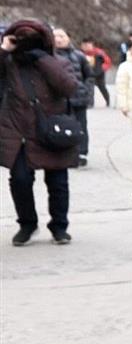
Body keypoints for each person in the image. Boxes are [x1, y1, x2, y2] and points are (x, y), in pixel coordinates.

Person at [1, 20, 82, 245]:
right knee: (20, 179)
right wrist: (4, 49)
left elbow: (69, 87)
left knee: (57, 182)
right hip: (19, 133)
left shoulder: (58, 62)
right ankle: (27, 224)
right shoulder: (9, 64)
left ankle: (59, 226)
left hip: (51, 131)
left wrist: (43, 58)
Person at [52, 28, 93, 167]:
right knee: (60, 126)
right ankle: (63, 153)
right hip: (58, 99)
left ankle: (82, 153)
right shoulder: (47, 56)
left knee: (81, 126)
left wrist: (86, 91)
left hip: (78, 97)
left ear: (68, 38)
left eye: (61, 36)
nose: (58, 39)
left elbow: (89, 76)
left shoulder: (79, 56)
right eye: (55, 36)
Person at [80, 39, 112, 107]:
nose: (86, 47)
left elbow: (107, 62)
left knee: (102, 87)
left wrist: (102, 69)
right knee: (89, 88)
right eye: (84, 46)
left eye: (87, 45)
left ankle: (108, 100)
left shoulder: (99, 53)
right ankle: (90, 103)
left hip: (99, 73)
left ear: (92, 45)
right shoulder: (81, 54)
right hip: (88, 73)